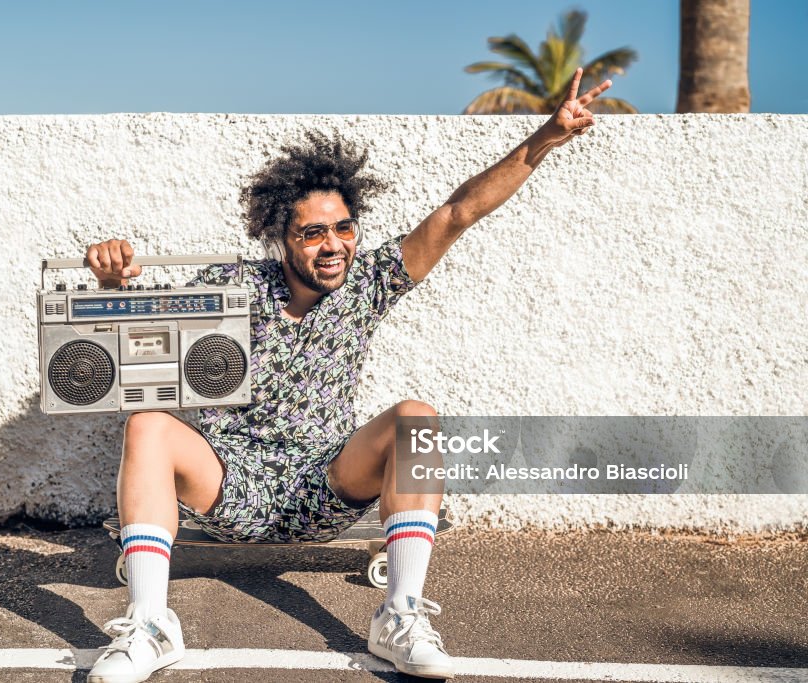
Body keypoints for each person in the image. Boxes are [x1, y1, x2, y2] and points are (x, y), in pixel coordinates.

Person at [83, 68, 611, 683]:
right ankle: (150, 625)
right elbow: (135, 345)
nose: (332, 245)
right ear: (280, 237)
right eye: (312, 233)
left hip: (327, 484)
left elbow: (459, 212)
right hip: (229, 483)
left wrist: (545, 138)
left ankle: (400, 616)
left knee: (416, 417)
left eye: (343, 228)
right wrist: (112, 284)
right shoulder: (232, 288)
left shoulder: (367, 286)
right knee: (148, 423)